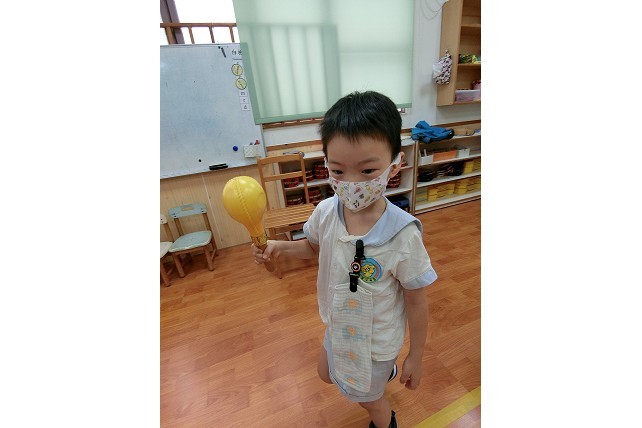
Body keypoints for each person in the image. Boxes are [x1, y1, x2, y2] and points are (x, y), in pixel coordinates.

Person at [252, 91, 438, 428]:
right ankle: (382, 377)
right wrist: (279, 247)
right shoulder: (325, 212)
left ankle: (385, 419)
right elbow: (313, 248)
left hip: (375, 342)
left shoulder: (403, 234)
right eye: (338, 170)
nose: (351, 183)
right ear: (326, 164)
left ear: (395, 164)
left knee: (368, 399)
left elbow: (416, 300)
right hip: (339, 323)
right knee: (325, 373)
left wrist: (417, 355)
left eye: (367, 170)